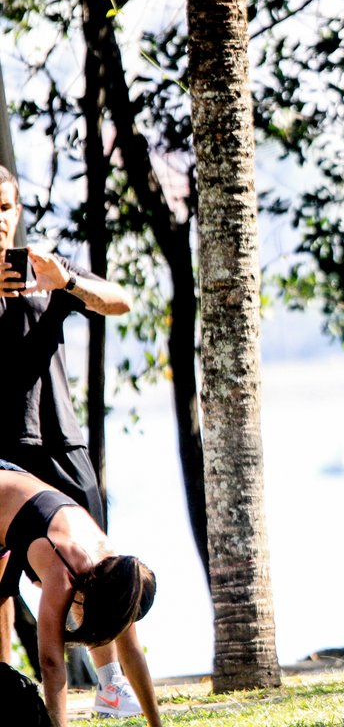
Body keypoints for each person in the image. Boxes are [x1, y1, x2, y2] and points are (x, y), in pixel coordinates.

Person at [0, 164, 142, 718]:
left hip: (60, 442)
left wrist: (68, 282)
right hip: (6, 458)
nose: (0, 219)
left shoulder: (45, 268)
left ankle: (113, 686)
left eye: (7, 207)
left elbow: (121, 300)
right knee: (5, 582)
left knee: (98, 571)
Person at [0, 460, 159, 727]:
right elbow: (51, 663)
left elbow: (132, 653)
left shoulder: (116, 570)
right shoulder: (63, 564)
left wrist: (156, 724)